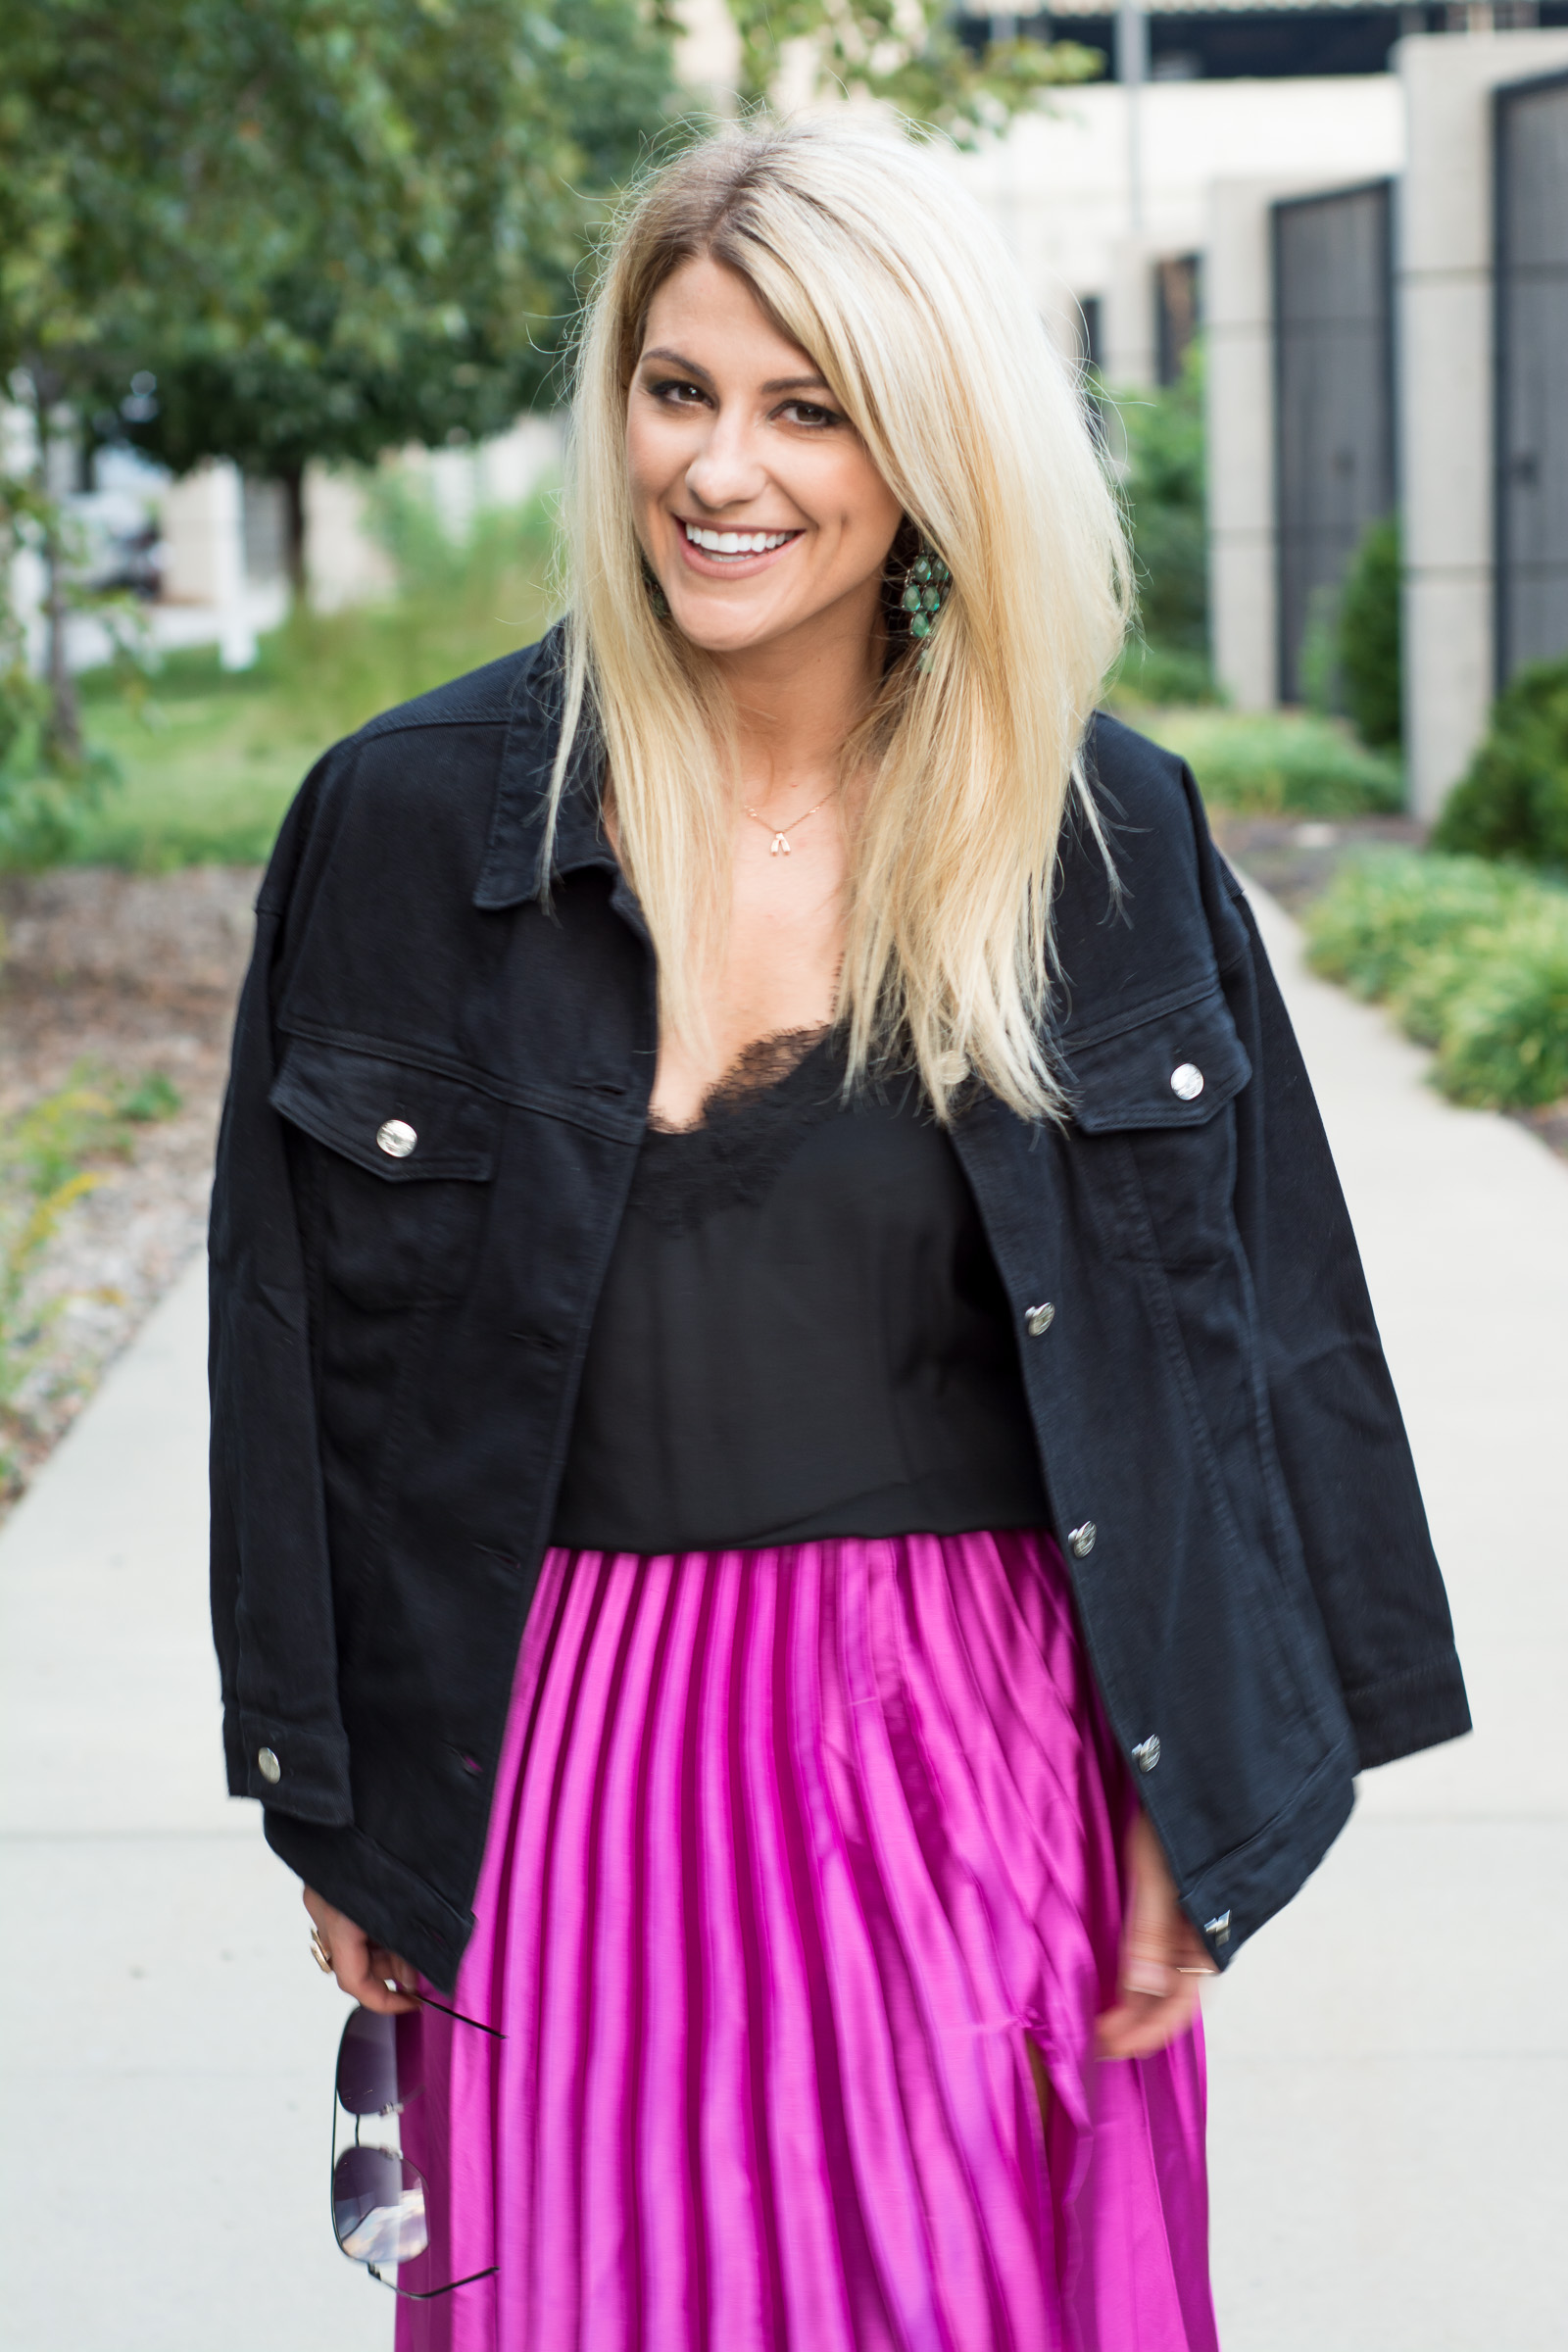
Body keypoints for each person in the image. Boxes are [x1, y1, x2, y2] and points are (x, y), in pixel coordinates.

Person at [209, 117, 1469, 2351]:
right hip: (560, 1752)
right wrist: (335, 1794)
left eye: (809, 407)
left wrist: (1207, 1790)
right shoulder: (397, 824)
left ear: (922, 449)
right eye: (677, 389)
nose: (725, 467)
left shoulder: (1095, 832)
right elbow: (292, 1351)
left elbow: (1257, 1338)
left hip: (968, 1750)